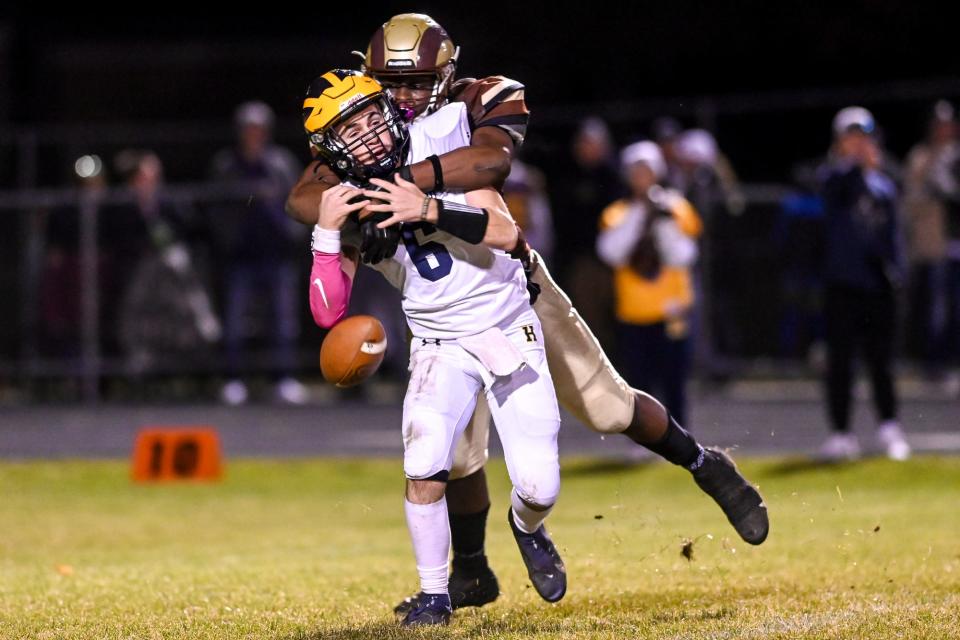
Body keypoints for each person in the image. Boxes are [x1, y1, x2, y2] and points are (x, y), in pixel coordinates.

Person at [286, 12, 768, 618]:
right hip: (442, 319)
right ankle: (468, 573)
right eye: (392, 84)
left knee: (607, 405)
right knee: (450, 450)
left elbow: (489, 166)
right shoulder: (365, 130)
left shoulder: (479, 100)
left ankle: (704, 463)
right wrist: (343, 212)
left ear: (446, 72)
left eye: (416, 84)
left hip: (514, 287)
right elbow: (304, 194)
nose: (404, 97)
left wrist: (403, 190)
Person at [303, 69, 566, 626]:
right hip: (436, 341)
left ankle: (528, 528)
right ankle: (433, 594)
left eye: (374, 118)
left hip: (505, 326)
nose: (371, 135)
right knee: (423, 461)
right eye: (352, 132)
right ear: (333, 153)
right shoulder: (347, 201)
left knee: (540, 486)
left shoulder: (444, 137)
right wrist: (327, 233)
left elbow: (507, 234)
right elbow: (329, 313)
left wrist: (428, 207)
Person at [817, 106, 910, 461]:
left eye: (862, 137)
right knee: (840, 361)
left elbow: (891, 237)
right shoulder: (833, 178)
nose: (857, 144)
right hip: (842, 285)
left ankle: (889, 427)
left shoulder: (883, 185)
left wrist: (896, 274)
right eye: (850, 138)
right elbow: (838, 189)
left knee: (881, 362)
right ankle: (841, 433)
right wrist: (858, 164)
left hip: (876, 287)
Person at [597, 142, 701, 427]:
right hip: (634, 309)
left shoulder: (678, 208)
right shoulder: (617, 213)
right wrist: (641, 214)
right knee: (639, 380)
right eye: (635, 171)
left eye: (646, 171)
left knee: (674, 378)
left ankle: (682, 437)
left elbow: (683, 255)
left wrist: (662, 219)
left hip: (673, 309)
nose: (641, 177)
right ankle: (645, 437)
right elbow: (611, 253)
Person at [209, 101, 307, 405]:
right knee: (236, 322)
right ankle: (234, 380)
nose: (253, 134)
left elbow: (300, 200)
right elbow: (216, 209)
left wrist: (291, 234)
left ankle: (283, 378)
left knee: (283, 320)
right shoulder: (228, 165)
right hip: (242, 255)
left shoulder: (280, 162)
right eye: (248, 129)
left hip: (276, 254)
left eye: (258, 129)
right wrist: (230, 238)